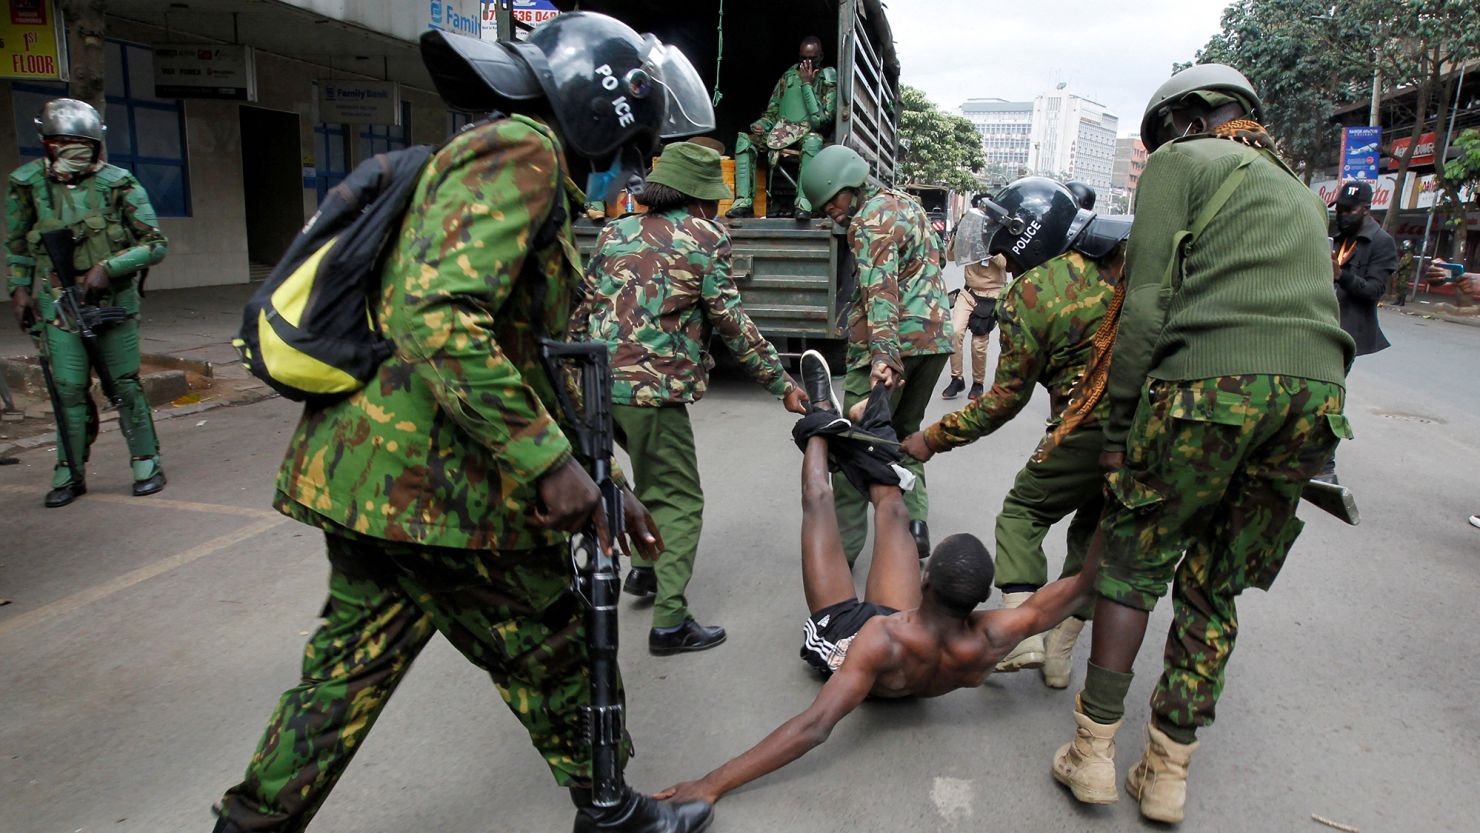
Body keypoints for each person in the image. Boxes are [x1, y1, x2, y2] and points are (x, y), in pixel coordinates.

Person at [209, 17, 717, 833]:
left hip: (374, 487)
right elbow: (438, 316)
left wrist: (605, 483)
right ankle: (613, 810)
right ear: (601, 107)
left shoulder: (493, 148)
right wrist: (554, 467)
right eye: (637, 142)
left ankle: (248, 825)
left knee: (343, 673)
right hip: (442, 494)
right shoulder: (526, 148)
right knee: (559, 652)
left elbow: (520, 356)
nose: (633, 164)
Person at [1049, 64, 1354, 824]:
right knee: (1216, 578)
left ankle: (1091, 753)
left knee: (1134, 558)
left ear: (1184, 118)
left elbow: (1148, 301)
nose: (1157, 151)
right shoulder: (1297, 190)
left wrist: (1120, 427)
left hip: (1211, 386)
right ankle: (1167, 773)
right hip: (1317, 400)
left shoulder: (1183, 161)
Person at [653, 350, 1101, 806]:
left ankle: (819, 419)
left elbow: (815, 726)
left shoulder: (877, 640)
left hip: (852, 642)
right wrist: (1125, 501)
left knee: (817, 500)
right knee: (893, 509)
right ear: (981, 597)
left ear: (926, 582)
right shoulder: (994, 634)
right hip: (906, 628)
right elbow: (1081, 584)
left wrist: (710, 785)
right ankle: (876, 407)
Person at [575, 140, 808, 656]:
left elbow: (584, 304)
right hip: (652, 390)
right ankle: (671, 623)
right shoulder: (704, 236)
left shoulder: (616, 229)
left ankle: (645, 572)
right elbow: (731, 323)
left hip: (596, 385)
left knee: (647, 477)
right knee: (680, 499)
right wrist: (781, 383)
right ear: (701, 198)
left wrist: (571, 381)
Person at [903, 177, 1132, 684]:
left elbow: (1004, 400)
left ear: (1026, 234)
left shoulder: (1029, 293)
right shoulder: (1121, 266)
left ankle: (1023, 635)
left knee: (1023, 513)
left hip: (1090, 423)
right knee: (1091, 533)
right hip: (1151, 426)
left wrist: (931, 438)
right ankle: (1059, 656)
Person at [5, 98, 169, 507]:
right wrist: (20, 290)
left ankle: (146, 461)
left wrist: (108, 267)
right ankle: (69, 472)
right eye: (60, 142)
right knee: (68, 390)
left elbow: (155, 243)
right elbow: (18, 245)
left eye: (79, 143)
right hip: (58, 304)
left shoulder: (119, 183)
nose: (69, 151)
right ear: (47, 143)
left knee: (124, 386)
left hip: (112, 302)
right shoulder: (27, 184)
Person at [799, 144, 954, 561]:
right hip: (935, 339)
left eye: (832, 199)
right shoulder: (907, 204)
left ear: (851, 185)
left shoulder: (867, 222)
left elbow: (880, 291)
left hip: (891, 345)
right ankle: (914, 525)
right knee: (905, 434)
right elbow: (932, 263)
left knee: (854, 446)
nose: (829, 209)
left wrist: (884, 356)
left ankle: (842, 558)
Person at [1317, 180, 1393, 484]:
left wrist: (1342, 275)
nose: (1344, 214)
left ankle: (1325, 467)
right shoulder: (1336, 238)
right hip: (1320, 324)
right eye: (1340, 209)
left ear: (1366, 209)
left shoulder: (1381, 242)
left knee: (1330, 397)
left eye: (1350, 210)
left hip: (1346, 335)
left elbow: (1375, 290)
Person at [726, 36, 837, 220]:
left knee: (812, 142)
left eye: (812, 58)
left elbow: (820, 121)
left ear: (821, 56)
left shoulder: (827, 79)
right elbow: (773, 111)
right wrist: (762, 125)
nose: (806, 63)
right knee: (745, 140)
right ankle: (743, 202)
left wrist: (807, 83)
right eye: (803, 58)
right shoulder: (789, 76)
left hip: (808, 133)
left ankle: (803, 204)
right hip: (782, 130)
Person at [940, 201, 1007, 401]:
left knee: (979, 343)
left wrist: (987, 246)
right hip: (968, 292)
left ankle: (978, 383)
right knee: (954, 332)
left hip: (991, 295)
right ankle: (957, 378)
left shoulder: (997, 236)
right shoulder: (969, 236)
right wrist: (958, 236)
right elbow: (951, 257)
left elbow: (1004, 264)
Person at [1393, 239, 1415, 305]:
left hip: (1405, 273)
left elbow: (1403, 264)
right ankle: (1398, 300)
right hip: (1401, 272)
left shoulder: (1409, 255)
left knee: (1403, 287)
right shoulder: (1405, 255)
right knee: (1398, 286)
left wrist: (1397, 270)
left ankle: (1402, 301)